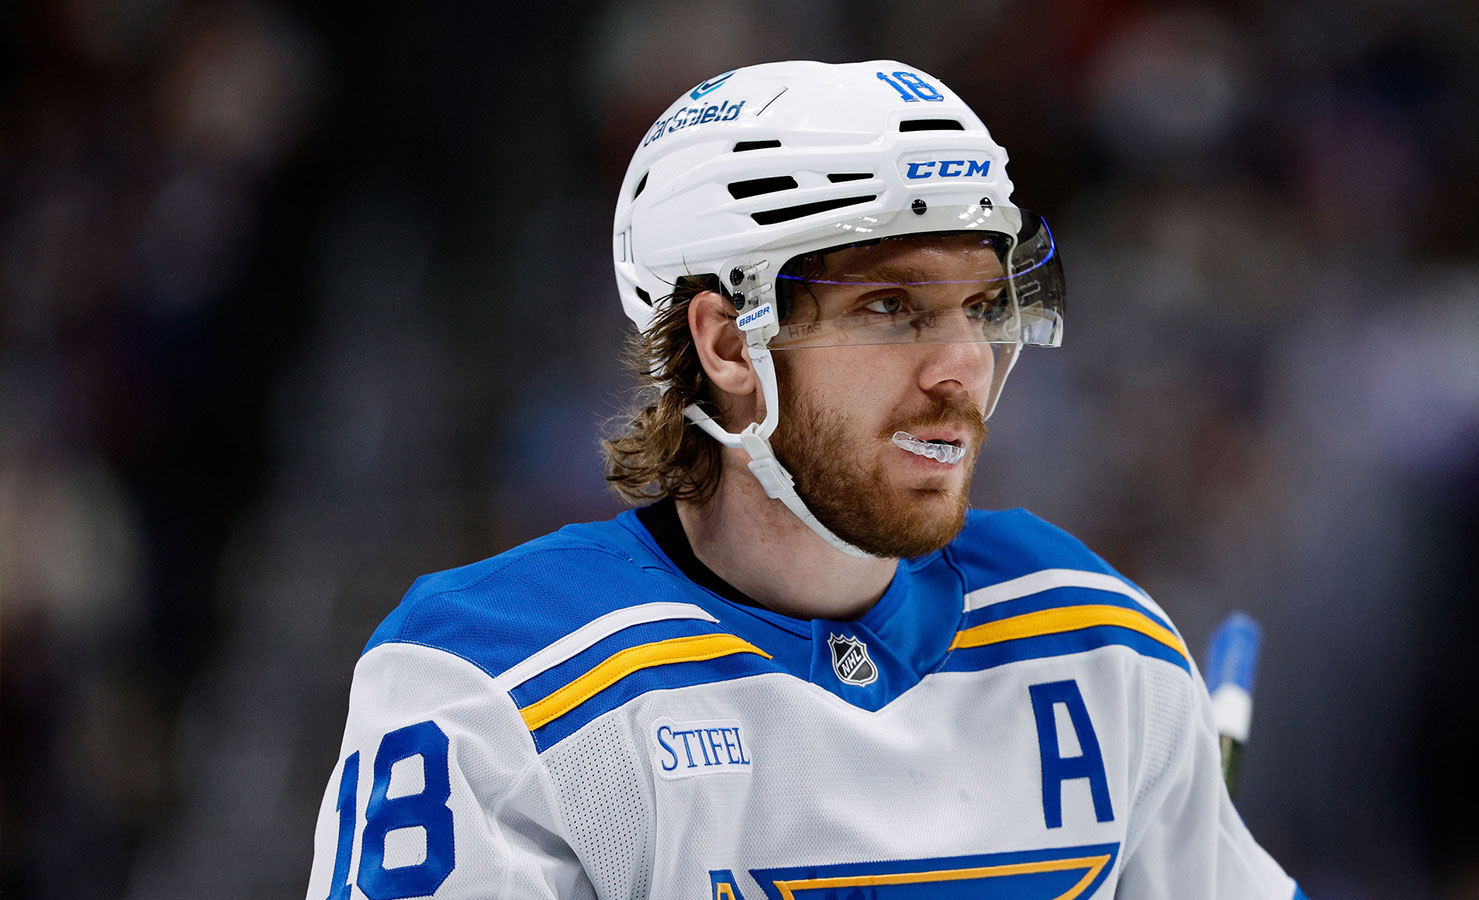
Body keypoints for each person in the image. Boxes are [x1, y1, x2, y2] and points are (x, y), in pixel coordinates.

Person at [306, 60, 1305, 900]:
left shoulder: (1096, 640)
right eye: (889, 307)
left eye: (982, 306)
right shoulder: (486, 682)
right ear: (726, 342)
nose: (963, 366)